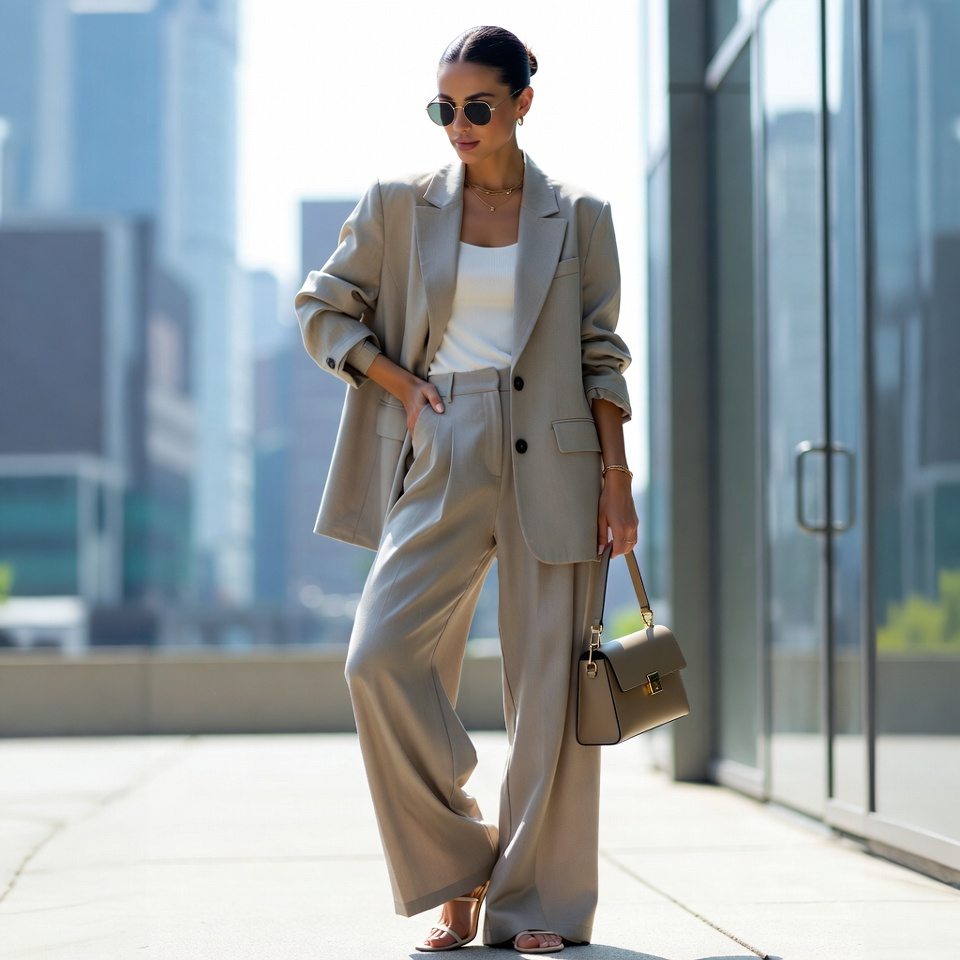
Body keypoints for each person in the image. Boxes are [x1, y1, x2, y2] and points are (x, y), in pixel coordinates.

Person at [295, 25, 637, 954]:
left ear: (524, 103)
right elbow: (323, 304)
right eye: (443, 108)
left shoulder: (582, 216)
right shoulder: (400, 205)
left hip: (560, 461)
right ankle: (461, 864)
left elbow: (600, 356)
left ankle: (537, 908)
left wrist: (619, 482)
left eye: (477, 107)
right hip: (442, 443)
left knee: (545, 696)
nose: (459, 125)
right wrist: (400, 385)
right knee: (379, 658)